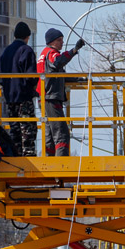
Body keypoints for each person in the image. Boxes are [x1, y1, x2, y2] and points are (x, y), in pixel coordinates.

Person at [36, 28, 85, 157]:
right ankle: (60, 165)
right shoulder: (51, 53)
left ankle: (49, 162)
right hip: (51, 98)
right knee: (61, 133)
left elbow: (56, 74)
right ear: (52, 41)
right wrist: (74, 50)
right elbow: (58, 62)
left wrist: (76, 79)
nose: (62, 43)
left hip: (44, 97)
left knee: (50, 135)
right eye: (59, 40)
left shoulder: (43, 55)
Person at [0, 21, 38, 156]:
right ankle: (28, 155)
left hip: (10, 97)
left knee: (15, 128)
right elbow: (31, 76)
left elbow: (1, 76)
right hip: (24, 97)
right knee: (28, 128)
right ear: (27, 37)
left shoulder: (6, 52)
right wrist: (34, 88)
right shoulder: (26, 50)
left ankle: (15, 155)